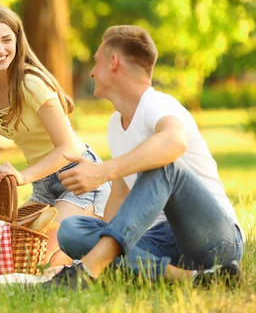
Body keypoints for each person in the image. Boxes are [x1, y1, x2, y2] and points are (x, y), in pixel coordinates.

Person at [46, 25, 244, 289]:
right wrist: (95, 239)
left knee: (164, 167)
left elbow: (174, 141)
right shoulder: (115, 125)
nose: (92, 71)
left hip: (214, 239)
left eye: (96, 61)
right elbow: (119, 196)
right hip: (161, 243)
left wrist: (103, 171)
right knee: (72, 231)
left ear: (113, 62)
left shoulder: (158, 104)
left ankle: (91, 269)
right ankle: (192, 279)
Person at [0, 4, 111, 266]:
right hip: (44, 186)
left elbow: (68, 148)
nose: (0, 50)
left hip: (80, 179)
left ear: (18, 41)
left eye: (7, 40)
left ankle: (104, 246)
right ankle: (89, 243)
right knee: (11, 256)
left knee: (43, 262)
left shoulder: (31, 83)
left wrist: (22, 176)